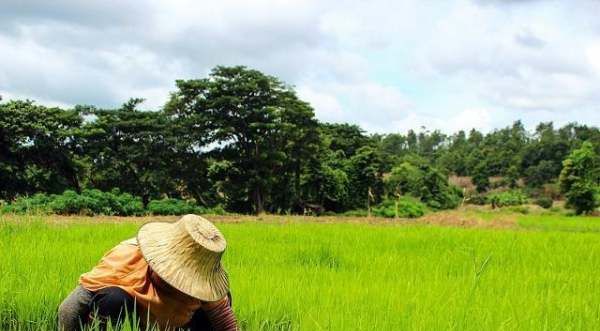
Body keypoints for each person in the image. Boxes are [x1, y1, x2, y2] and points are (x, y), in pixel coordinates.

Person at [58, 214, 238, 331]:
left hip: (176, 324)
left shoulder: (205, 281)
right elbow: (70, 307)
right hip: (135, 320)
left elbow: (223, 320)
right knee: (114, 298)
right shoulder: (127, 256)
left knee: (220, 300)